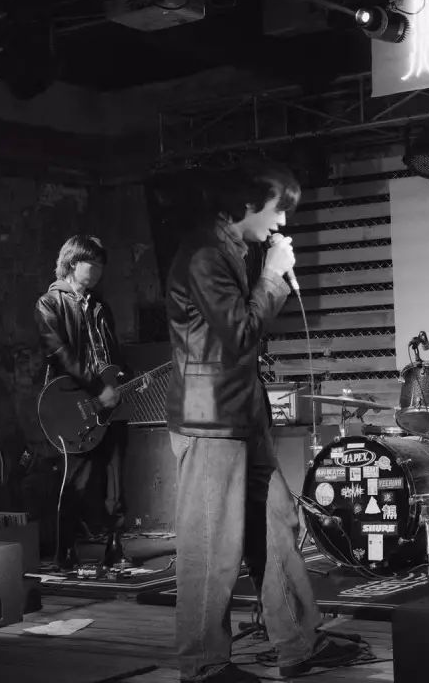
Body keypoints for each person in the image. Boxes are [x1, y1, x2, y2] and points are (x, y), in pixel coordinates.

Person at [165, 161, 360, 683]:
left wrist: (267, 272)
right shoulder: (205, 254)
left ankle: (298, 643)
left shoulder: (231, 248)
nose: (282, 223)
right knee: (212, 544)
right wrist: (273, 276)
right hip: (210, 419)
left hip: (241, 413)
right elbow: (239, 333)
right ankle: (203, 665)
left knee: (277, 522)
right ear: (247, 204)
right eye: (278, 210)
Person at [35, 235, 127, 570]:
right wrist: (96, 387)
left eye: (102, 264)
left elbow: (113, 352)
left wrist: (126, 379)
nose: (99, 270)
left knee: (116, 475)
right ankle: (66, 549)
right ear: (73, 263)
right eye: (94, 263)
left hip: (108, 399)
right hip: (74, 402)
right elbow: (61, 354)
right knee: (76, 479)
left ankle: (115, 546)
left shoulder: (101, 307)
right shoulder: (49, 303)